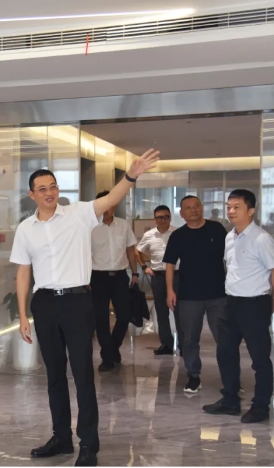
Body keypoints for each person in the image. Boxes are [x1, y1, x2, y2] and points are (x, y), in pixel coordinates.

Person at [10, 149, 159, 467]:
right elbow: (23, 272)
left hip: (77, 302)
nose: (49, 193)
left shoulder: (78, 213)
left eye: (53, 186)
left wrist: (131, 175)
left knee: (82, 374)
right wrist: (23, 315)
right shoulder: (25, 229)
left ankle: (89, 443)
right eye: (42, 189)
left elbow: (110, 199)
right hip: (45, 303)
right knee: (54, 375)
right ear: (31, 195)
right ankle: (61, 437)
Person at [203, 190, 274, 423]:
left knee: (260, 359)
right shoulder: (230, 237)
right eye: (229, 206)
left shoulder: (261, 238)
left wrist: (272, 301)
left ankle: (261, 406)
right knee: (225, 353)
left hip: (254, 304)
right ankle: (230, 400)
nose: (231, 211)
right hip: (231, 303)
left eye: (237, 207)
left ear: (251, 211)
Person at [163, 196, 227, 394]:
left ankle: (230, 378)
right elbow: (170, 265)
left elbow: (230, 257)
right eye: (188, 208)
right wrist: (170, 291)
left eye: (196, 206)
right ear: (182, 213)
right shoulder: (178, 235)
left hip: (218, 294)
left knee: (225, 338)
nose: (193, 210)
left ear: (202, 207)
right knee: (189, 339)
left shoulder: (217, 229)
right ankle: (193, 376)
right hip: (188, 295)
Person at [90, 190, 138, 372]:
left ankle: (111, 348)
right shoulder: (90, 227)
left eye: (110, 204)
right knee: (100, 318)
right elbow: (84, 255)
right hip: (97, 277)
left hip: (119, 276)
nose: (106, 208)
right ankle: (107, 357)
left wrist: (135, 274)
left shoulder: (123, 225)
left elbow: (130, 251)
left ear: (115, 205)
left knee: (125, 315)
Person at [136, 205, 181, 356]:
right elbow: (138, 251)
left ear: (170, 218)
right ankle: (166, 344)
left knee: (179, 311)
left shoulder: (177, 233)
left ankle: (183, 344)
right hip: (158, 276)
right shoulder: (149, 235)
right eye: (160, 217)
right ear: (154, 219)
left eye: (166, 217)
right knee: (161, 312)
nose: (163, 220)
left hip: (177, 275)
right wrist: (144, 267)